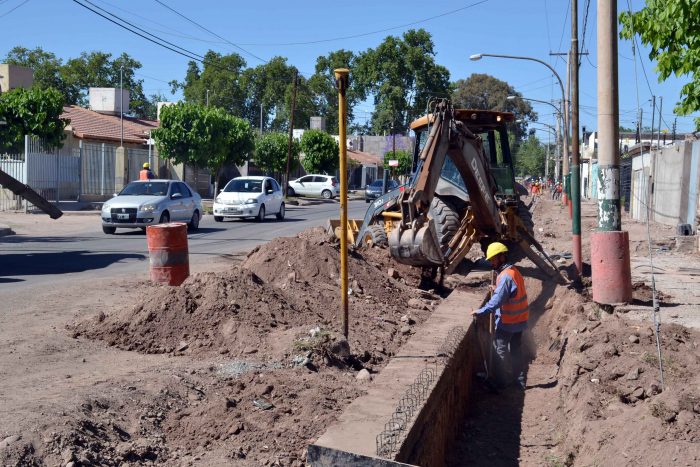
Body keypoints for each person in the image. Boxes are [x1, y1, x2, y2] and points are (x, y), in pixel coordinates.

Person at [471, 242, 529, 389]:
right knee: (516, 349)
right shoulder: (514, 271)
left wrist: (481, 311)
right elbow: (511, 292)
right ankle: (519, 381)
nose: (491, 262)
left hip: (508, 322)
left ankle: (501, 382)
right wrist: (498, 289)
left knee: (499, 350)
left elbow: (497, 301)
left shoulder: (505, 277)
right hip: (520, 320)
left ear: (502, 257)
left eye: (493, 259)